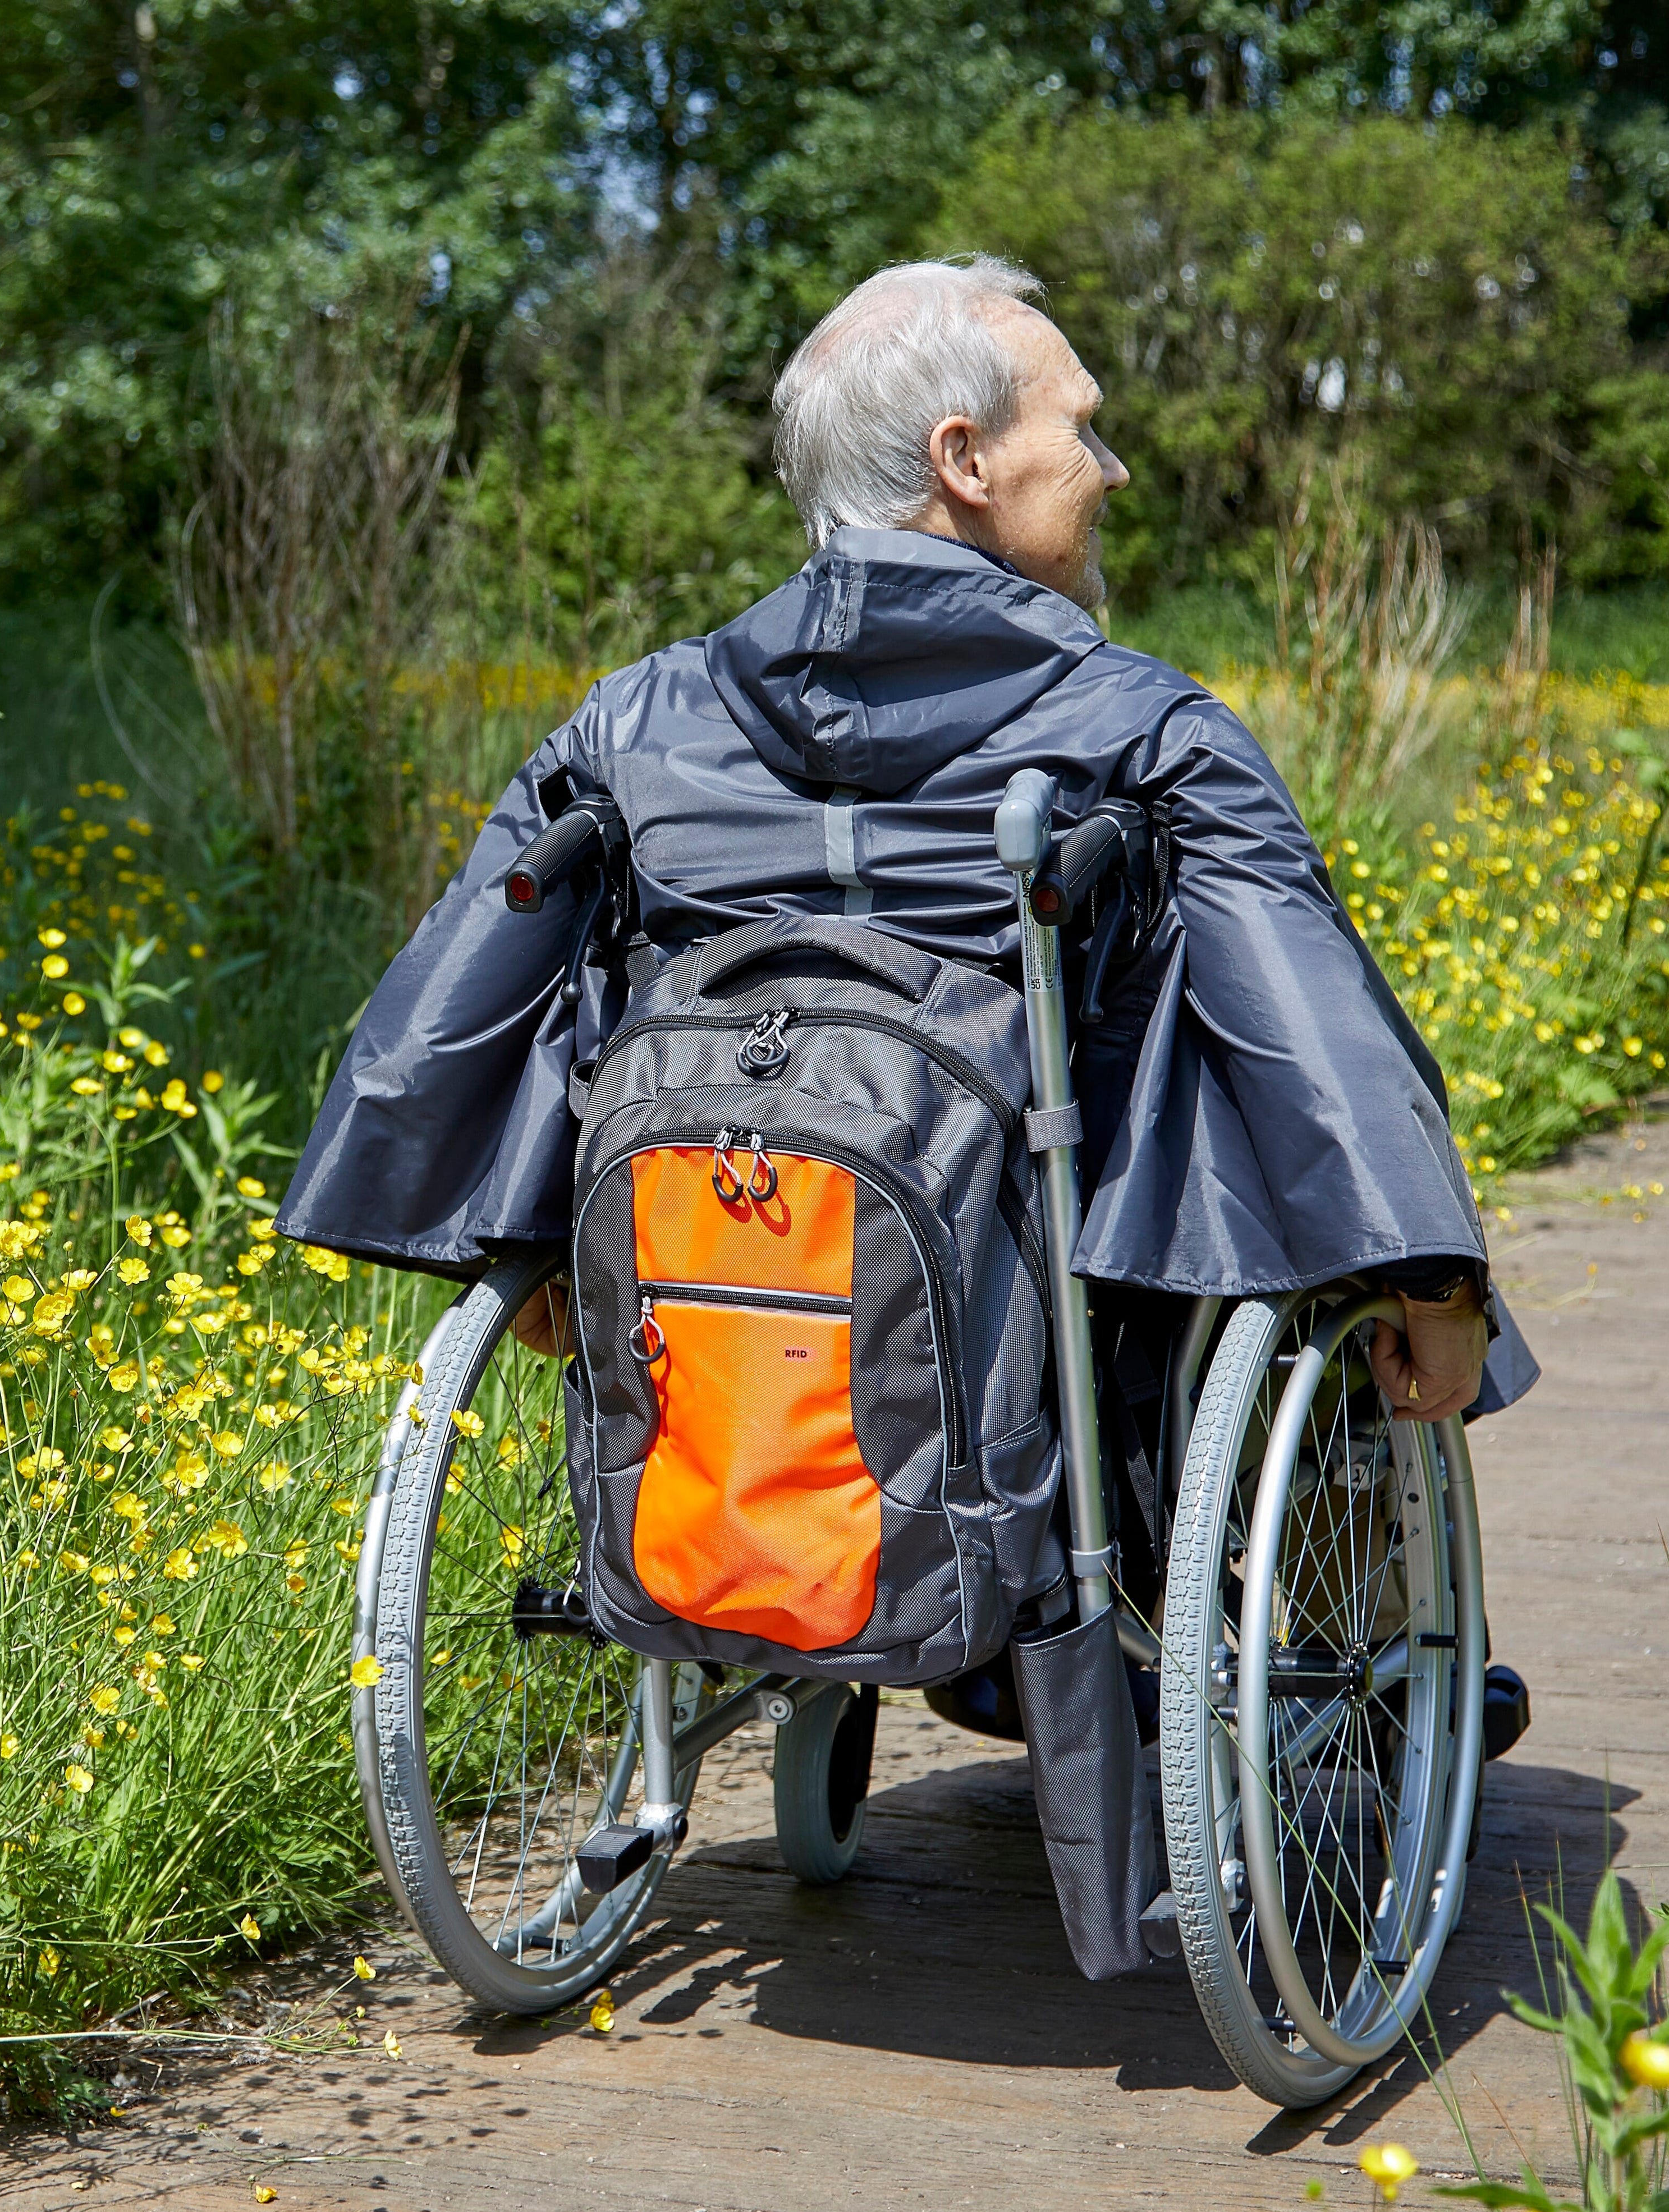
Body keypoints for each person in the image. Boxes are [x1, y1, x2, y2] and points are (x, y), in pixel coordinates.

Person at [275, 254, 1536, 1430]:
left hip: (717, 1332)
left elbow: (458, 1012)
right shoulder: (1148, 732)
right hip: (1078, 1373)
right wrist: (1432, 1276)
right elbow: (1306, 1021)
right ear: (965, 460)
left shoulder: (633, 722)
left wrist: (526, 1235)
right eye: (1081, 426)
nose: (1111, 467)